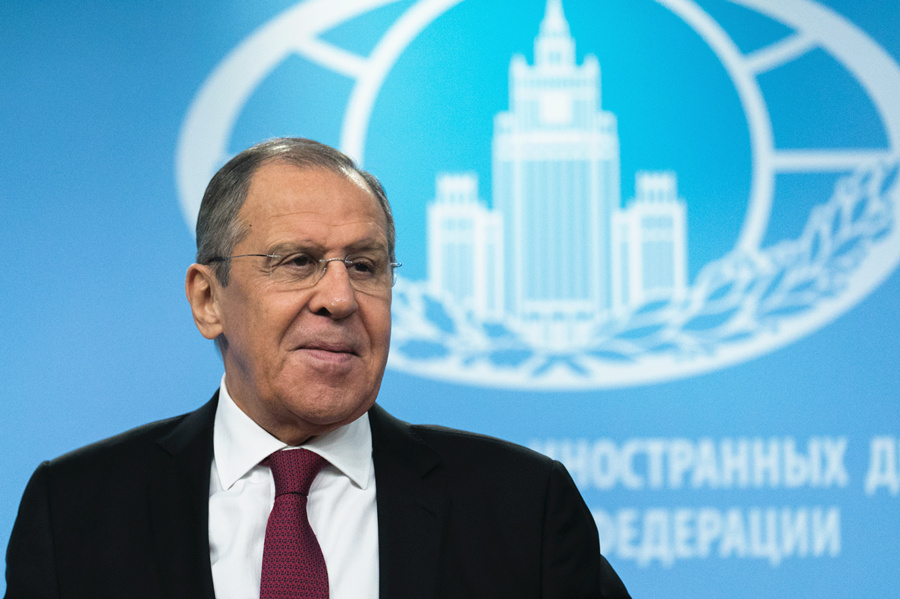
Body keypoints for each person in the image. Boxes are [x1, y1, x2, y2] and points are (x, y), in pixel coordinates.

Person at [5, 138, 629, 598]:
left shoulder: (523, 508)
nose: (340, 298)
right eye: (298, 262)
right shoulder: (76, 510)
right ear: (208, 299)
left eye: (365, 266)